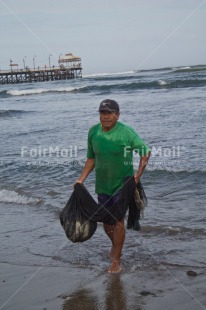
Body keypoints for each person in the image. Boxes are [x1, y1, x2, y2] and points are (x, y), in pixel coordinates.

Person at [76, 99, 151, 273]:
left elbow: (145, 151)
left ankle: (116, 261)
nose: (106, 116)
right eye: (102, 113)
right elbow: (91, 158)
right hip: (103, 185)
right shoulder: (93, 132)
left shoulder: (126, 132)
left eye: (109, 113)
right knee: (106, 222)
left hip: (122, 184)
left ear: (117, 115)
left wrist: (137, 176)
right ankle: (116, 246)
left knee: (118, 221)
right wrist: (80, 180)